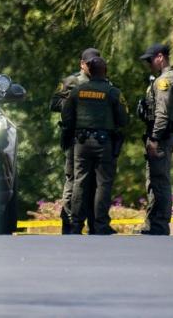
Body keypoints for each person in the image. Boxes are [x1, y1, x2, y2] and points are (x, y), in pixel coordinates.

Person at [61, 57, 128, 235]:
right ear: (105, 71)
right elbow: (123, 119)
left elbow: (66, 117)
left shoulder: (77, 91)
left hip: (81, 143)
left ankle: (75, 224)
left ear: (89, 71)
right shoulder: (113, 92)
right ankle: (100, 225)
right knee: (103, 184)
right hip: (103, 143)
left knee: (80, 182)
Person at [50, 48, 100, 234]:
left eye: (95, 62)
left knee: (96, 181)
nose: (92, 66)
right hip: (75, 138)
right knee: (73, 179)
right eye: (89, 63)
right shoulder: (71, 82)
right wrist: (74, 102)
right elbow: (54, 103)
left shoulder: (103, 82)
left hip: (96, 140)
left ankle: (95, 223)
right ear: (82, 64)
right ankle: (70, 221)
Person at [137, 43, 173, 235]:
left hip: (161, 137)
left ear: (160, 57)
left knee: (160, 181)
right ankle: (153, 223)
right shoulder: (169, 78)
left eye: (150, 60)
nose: (148, 64)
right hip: (164, 135)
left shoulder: (164, 81)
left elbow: (162, 114)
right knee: (154, 180)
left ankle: (159, 224)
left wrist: (154, 139)